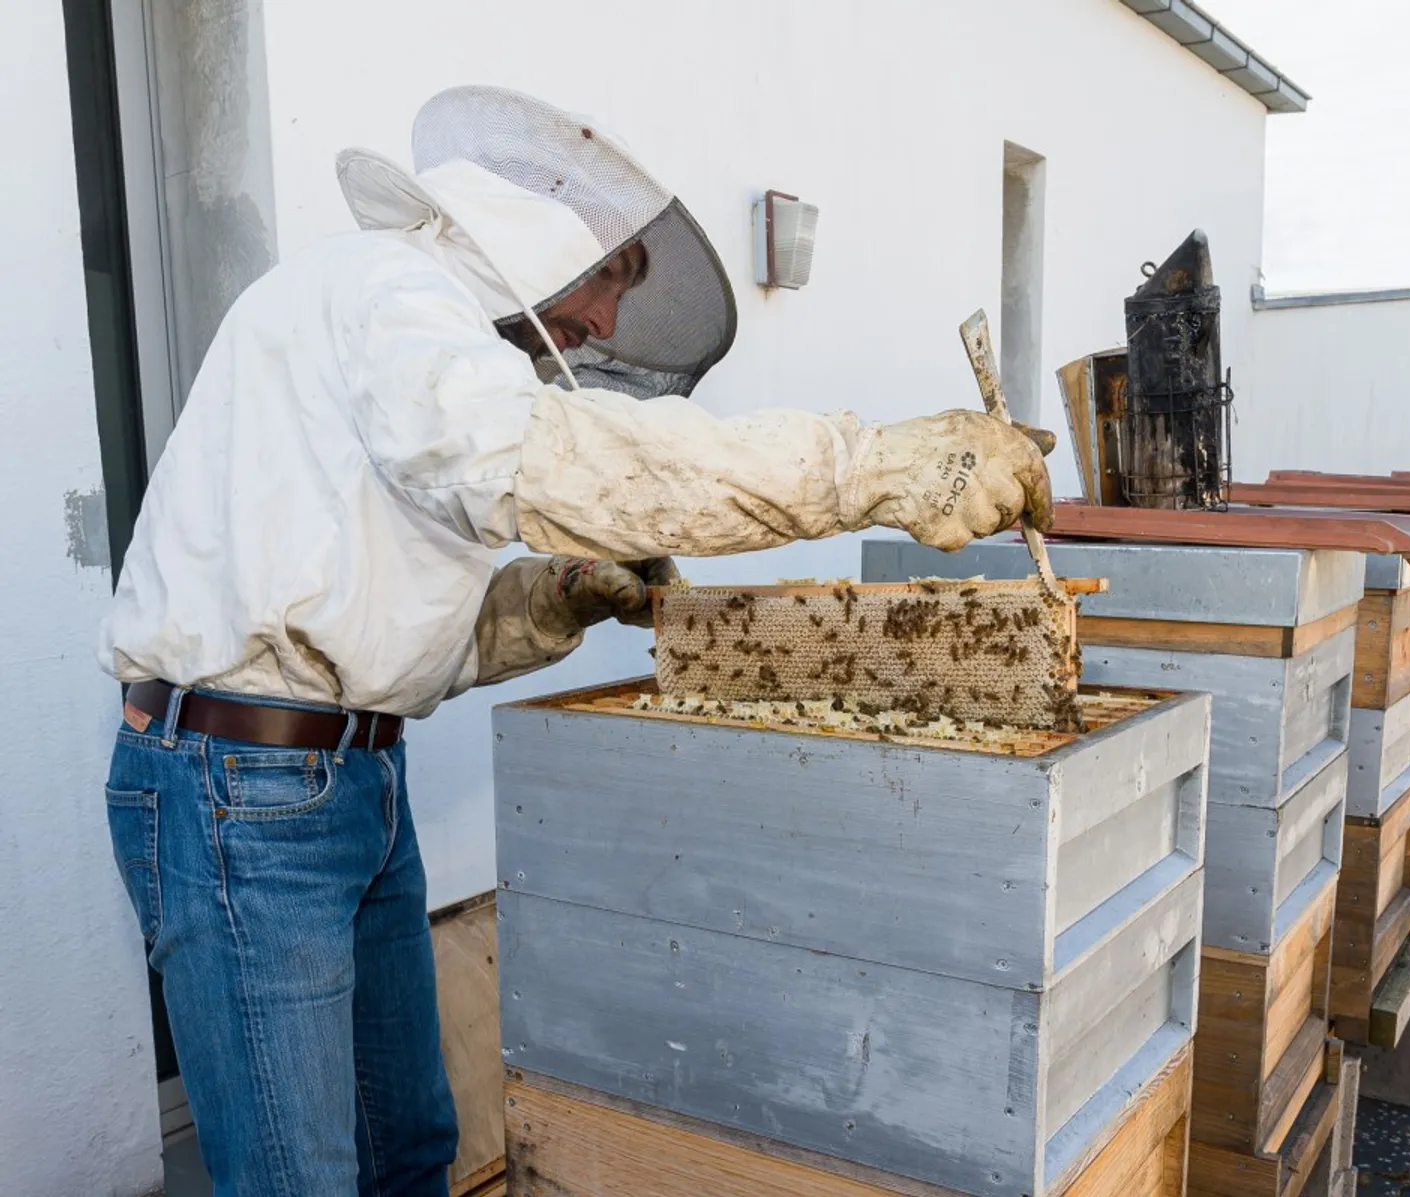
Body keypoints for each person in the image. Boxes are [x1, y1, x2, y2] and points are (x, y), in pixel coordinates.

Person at [98, 85, 1055, 1196]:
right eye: (610, 280)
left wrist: (553, 599)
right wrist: (865, 467)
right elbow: (549, 462)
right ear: (536, 241)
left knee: (407, 1150)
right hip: (240, 788)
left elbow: (383, 636)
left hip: (342, 779)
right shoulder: (388, 295)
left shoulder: (429, 353)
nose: (604, 323)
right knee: (296, 1178)